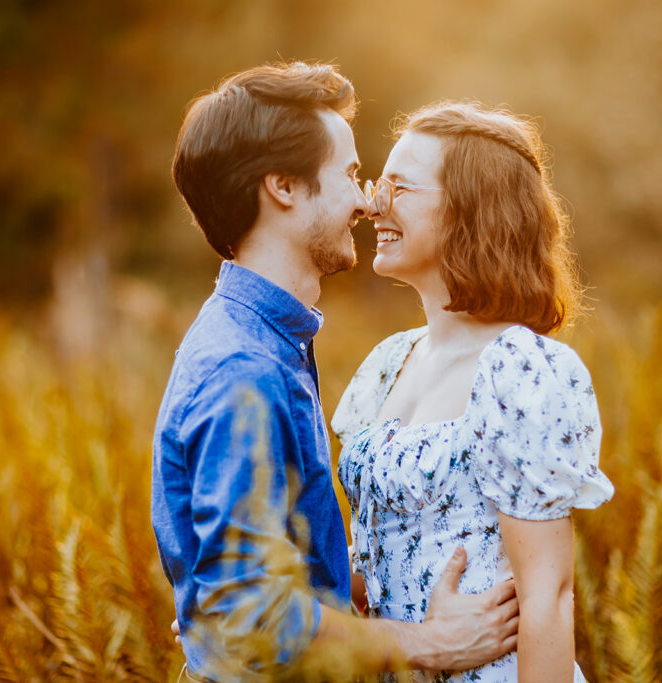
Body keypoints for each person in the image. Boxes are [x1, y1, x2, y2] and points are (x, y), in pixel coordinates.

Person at [151, 63, 518, 682]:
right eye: (350, 175)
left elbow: (246, 573)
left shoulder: (268, 340)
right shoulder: (245, 370)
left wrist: (346, 586)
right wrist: (432, 641)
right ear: (283, 188)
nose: (365, 199)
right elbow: (252, 617)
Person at [331, 101, 615, 682]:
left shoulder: (520, 371)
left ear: (472, 212)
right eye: (377, 185)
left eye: (400, 189)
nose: (372, 203)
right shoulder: (388, 362)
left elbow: (548, 598)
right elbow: (373, 560)